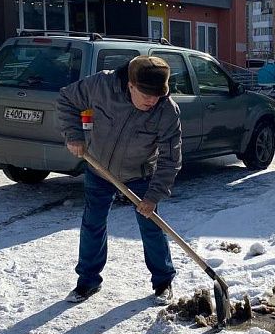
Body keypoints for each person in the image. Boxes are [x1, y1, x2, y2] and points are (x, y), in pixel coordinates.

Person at [56, 55, 182, 305]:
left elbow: (170, 159)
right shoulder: (102, 86)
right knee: (92, 223)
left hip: (140, 174)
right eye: (146, 94)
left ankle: (163, 281)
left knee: (151, 226)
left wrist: (152, 196)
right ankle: (88, 281)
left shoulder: (167, 111)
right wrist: (73, 135)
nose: (152, 100)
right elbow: (66, 99)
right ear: (130, 85)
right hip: (99, 168)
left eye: (157, 95)